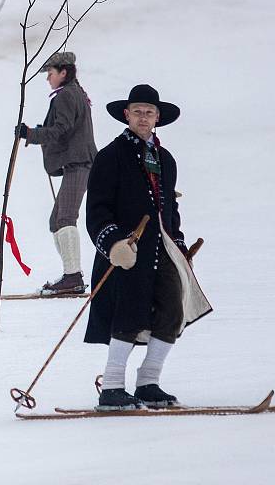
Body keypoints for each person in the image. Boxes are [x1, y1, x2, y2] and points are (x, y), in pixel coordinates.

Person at [84, 84, 212, 410]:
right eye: (137, 111)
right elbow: (97, 209)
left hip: (162, 248)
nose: (143, 117)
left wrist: (179, 246)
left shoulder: (166, 160)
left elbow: (169, 209)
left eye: (149, 112)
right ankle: (111, 386)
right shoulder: (110, 156)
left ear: (158, 118)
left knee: (172, 310)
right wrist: (114, 243)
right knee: (127, 314)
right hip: (127, 252)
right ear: (126, 115)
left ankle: (148, 383)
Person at [15, 51, 97, 294]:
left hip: (79, 163)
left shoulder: (66, 96)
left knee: (64, 218)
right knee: (56, 220)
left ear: (63, 72)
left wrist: (31, 134)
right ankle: (72, 274)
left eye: (50, 73)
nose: (47, 78)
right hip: (79, 162)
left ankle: (73, 278)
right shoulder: (75, 93)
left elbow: (60, 129)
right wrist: (36, 133)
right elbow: (64, 129)